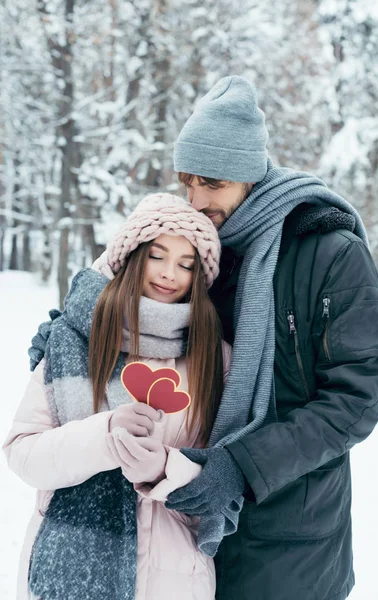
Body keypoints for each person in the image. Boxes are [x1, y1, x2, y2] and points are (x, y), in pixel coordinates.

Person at [24, 76, 378, 600]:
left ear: (249, 175)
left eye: (213, 184)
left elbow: (354, 400)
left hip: (290, 538)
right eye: (188, 182)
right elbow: (129, 290)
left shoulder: (328, 253)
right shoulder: (200, 249)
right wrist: (74, 325)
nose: (197, 201)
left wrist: (240, 466)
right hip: (184, 529)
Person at [3, 193, 232, 600]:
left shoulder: (214, 356)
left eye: (186, 264)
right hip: (66, 565)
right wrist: (104, 437)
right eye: (157, 256)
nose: (168, 274)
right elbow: (23, 454)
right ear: (131, 256)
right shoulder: (73, 339)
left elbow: (225, 477)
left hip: (174, 578)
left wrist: (165, 469)